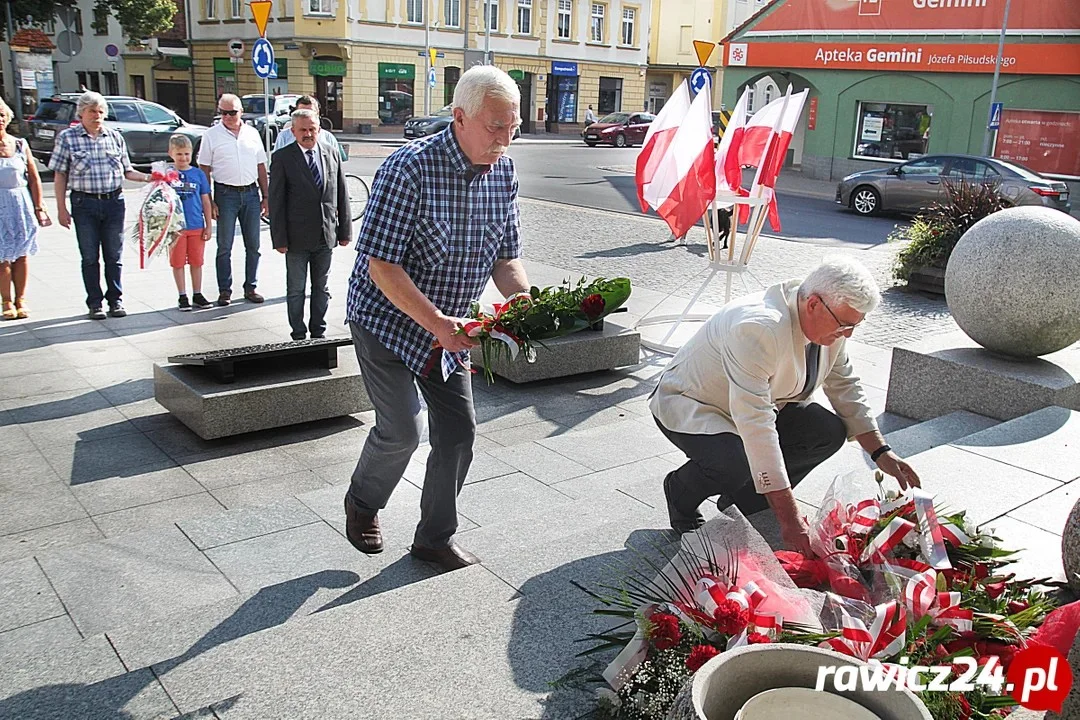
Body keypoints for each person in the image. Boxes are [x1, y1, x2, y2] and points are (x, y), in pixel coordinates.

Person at [343, 65, 530, 572]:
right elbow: (382, 265)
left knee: (458, 431)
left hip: (449, 331)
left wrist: (525, 303)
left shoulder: (505, 173)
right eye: (495, 126)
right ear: (459, 117)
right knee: (401, 429)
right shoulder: (409, 168)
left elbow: (506, 258)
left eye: (513, 127)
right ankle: (362, 501)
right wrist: (437, 324)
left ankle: (433, 537)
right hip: (385, 317)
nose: (504, 139)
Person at [650, 256, 921, 556]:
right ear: (814, 304)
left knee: (828, 431)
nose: (848, 334)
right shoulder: (758, 328)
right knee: (735, 463)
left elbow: (843, 384)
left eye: (855, 325)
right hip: (695, 403)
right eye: (845, 325)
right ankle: (680, 494)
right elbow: (757, 426)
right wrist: (790, 521)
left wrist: (880, 452)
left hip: (761, 402)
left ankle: (746, 500)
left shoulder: (829, 323)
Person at [51, 91, 151, 320]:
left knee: (114, 255)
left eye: (100, 111)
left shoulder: (114, 136)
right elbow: (60, 175)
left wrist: (150, 177)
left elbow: (127, 171)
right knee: (89, 256)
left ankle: (115, 300)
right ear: (82, 113)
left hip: (113, 202)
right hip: (84, 203)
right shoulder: (68, 138)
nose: (97, 116)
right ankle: (95, 303)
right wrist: (60, 208)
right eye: (92, 111)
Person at [269, 109, 351, 340]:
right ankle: (297, 333)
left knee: (321, 288)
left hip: (325, 236)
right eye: (302, 130)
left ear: (319, 130)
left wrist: (344, 231)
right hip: (295, 238)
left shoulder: (331, 153)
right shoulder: (283, 158)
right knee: (296, 290)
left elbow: (341, 194)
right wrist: (280, 239)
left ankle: (318, 332)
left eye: (312, 129)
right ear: (293, 131)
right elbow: (276, 201)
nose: (308, 134)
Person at [197, 93, 269, 307]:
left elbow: (261, 166)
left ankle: (251, 287)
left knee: (254, 245)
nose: (227, 116)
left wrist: (266, 197)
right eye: (223, 112)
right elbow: (204, 169)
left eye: (232, 112)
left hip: (250, 193)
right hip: (225, 194)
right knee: (224, 246)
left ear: (241, 112)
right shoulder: (211, 135)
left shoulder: (252, 133)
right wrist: (209, 202)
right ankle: (224, 290)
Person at [0, 98, 50, 320]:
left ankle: (21, 298)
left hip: (20, 204)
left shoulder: (20, 144)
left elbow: (33, 177)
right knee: (2, 258)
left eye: (2, 115)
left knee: (21, 255)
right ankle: (6, 301)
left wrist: (39, 206)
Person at [166, 134, 213, 311]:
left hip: (196, 225)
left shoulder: (198, 174)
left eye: (186, 154)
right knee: (178, 262)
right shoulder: (168, 175)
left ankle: (197, 293)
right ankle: (182, 295)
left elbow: (205, 200)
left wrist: (208, 225)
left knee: (197, 261)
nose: (183, 158)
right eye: (179, 154)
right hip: (176, 228)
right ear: (171, 153)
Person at [272, 95, 346, 162]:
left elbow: (336, 167)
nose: (306, 117)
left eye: (310, 113)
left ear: (318, 114)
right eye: (302, 113)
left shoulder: (328, 138)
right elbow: (277, 164)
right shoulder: (284, 137)